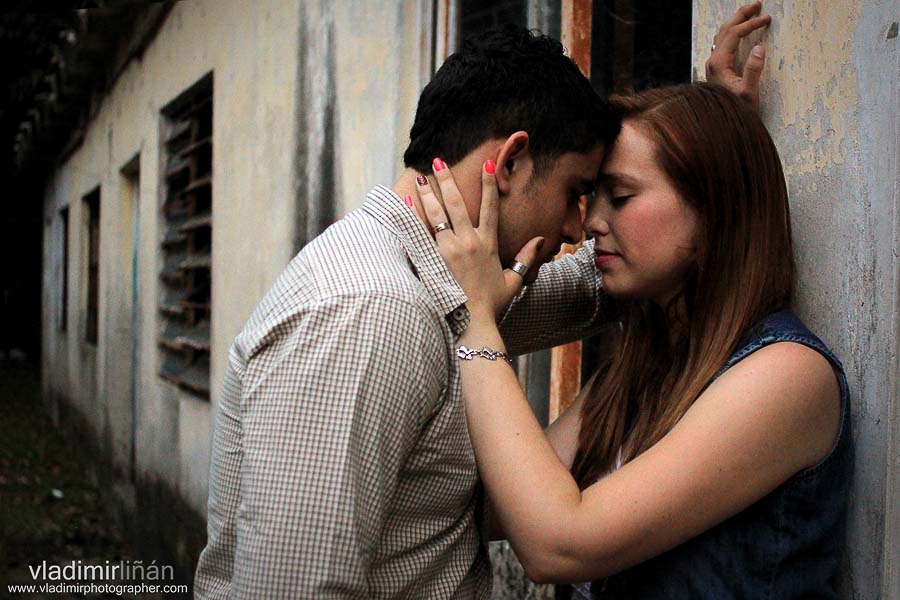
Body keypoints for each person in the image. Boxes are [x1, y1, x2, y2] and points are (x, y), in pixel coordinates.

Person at [193, 3, 772, 597]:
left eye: (610, 198)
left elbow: (606, 287)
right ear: (511, 162)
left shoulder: (448, 286)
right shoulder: (372, 310)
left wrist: (709, 158)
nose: (578, 230)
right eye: (576, 192)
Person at [414, 82, 851, 598]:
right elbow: (495, 508)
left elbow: (557, 543)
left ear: (714, 207)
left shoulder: (789, 376)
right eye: (591, 195)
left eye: (620, 197)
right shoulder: (646, 365)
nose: (592, 222)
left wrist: (477, 323)